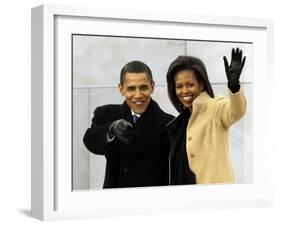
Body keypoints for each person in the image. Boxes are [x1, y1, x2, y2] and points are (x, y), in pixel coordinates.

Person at [83, 60, 174, 188]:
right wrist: (110, 129)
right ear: (121, 89)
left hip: (152, 200)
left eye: (143, 87)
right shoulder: (106, 114)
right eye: (131, 88)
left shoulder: (170, 123)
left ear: (152, 87)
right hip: (116, 198)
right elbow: (90, 141)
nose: (138, 95)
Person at [166, 48, 247, 185]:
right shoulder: (181, 121)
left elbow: (235, 111)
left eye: (190, 85)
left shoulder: (215, 108)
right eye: (179, 86)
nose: (184, 91)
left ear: (201, 84)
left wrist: (234, 86)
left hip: (215, 197)